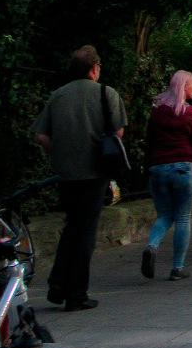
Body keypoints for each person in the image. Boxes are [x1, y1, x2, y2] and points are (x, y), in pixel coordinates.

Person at [35, 45, 127, 312]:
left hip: (66, 172)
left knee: (71, 226)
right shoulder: (106, 93)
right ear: (94, 69)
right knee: (86, 231)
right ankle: (77, 293)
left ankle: (57, 284)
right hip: (95, 171)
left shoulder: (58, 95)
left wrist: (59, 151)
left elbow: (41, 135)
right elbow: (118, 132)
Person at [140, 69, 192, 282]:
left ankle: (152, 245)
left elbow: (149, 141)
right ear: (184, 87)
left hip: (158, 167)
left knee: (164, 215)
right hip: (184, 168)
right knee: (183, 217)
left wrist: (148, 167)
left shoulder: (157, 113)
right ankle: (177, 267)